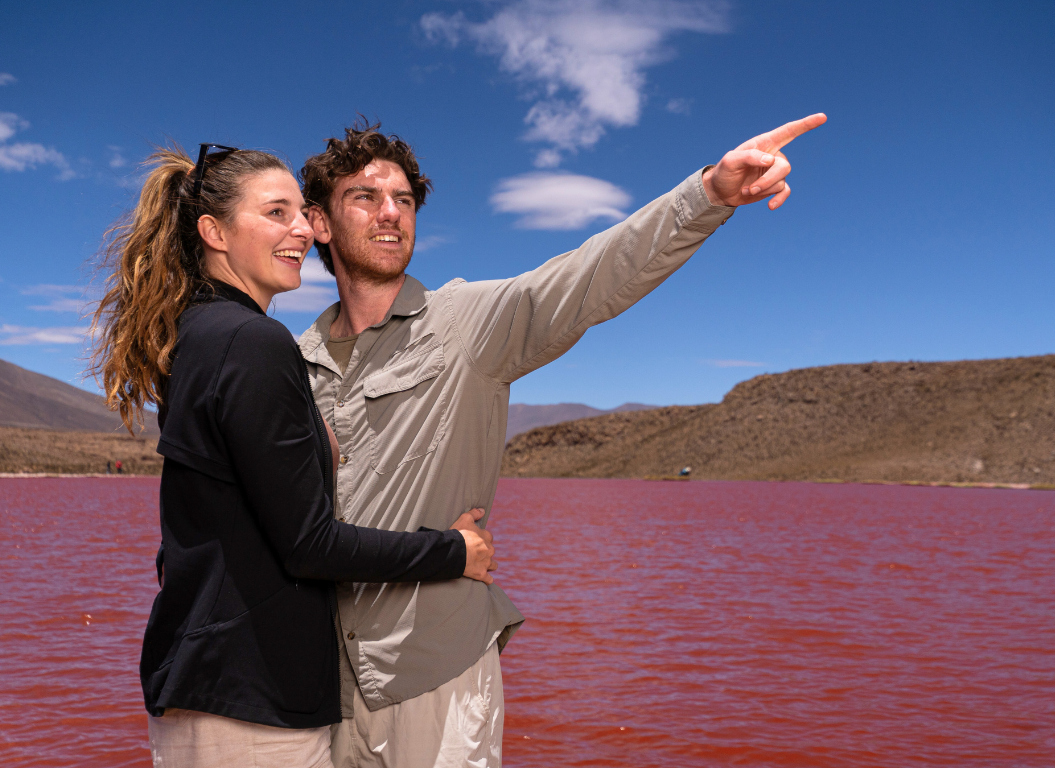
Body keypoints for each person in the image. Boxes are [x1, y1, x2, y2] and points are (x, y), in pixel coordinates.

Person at [297, 113, 826, 766]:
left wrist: (709, 193)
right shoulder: (291, 363)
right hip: (320, 687)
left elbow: (589, 277)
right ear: (318, 222)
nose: (390, 214)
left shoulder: (467, 324)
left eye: (403, 200)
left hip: (435, 676)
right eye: (365, 198)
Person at [88, 144, 501, 768]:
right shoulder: (254, 342)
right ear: (214, 232)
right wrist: (452, 552)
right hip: (251, 700)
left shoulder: (196, 337)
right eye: (276, 213)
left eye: (300, 214)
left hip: (207, 685)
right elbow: (310, 545)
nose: (303, 229)